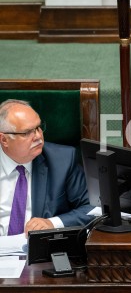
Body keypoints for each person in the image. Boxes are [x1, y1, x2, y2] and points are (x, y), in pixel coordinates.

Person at [0, 99, 93, 236]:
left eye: (38, 128)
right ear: (4, 140)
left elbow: (93, 208)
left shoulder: (63, 160)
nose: (38, 136)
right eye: (27, 133)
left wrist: (52, 223)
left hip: (42, 250)